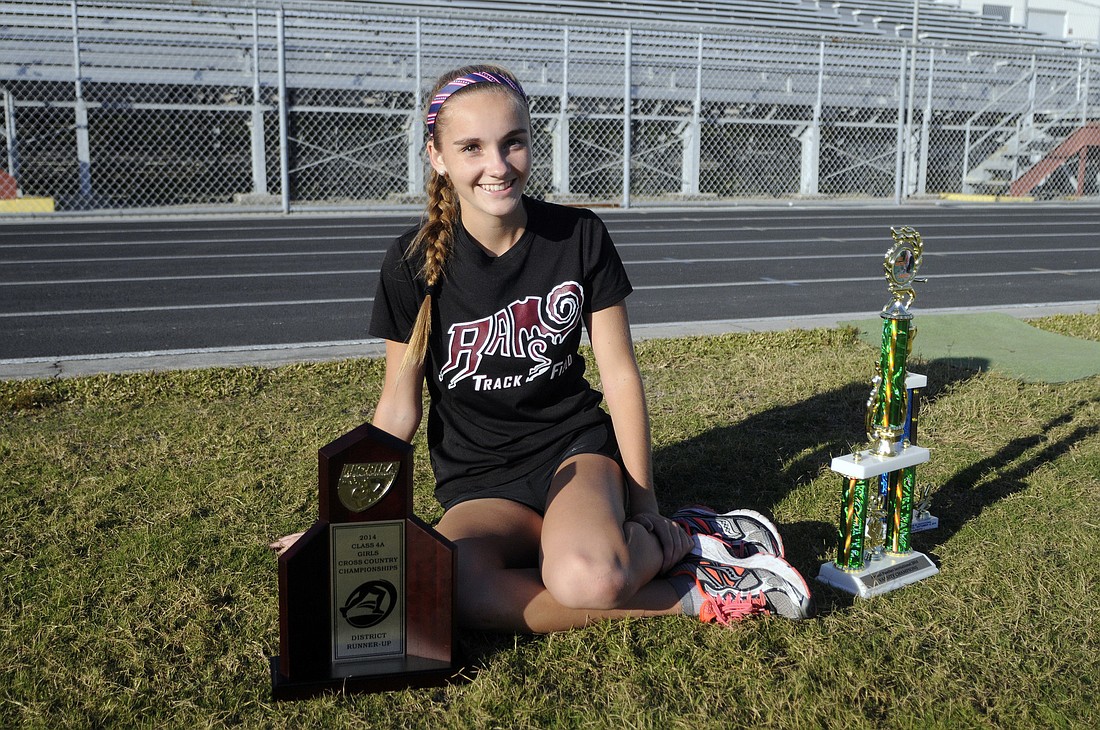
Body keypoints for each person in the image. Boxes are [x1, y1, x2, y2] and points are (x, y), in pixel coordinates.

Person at [272, 64, 813, 632]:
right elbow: (398, 410)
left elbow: (621, 377)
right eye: (472, 147)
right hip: (479, 480)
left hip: (571, 453)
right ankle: (699, 592)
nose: (497, 166)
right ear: (437, 157)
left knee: (589, 579)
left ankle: (677, 536)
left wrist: (646, 508)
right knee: (448, 589)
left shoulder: (578, 236)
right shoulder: (410, 265)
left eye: (513, 143)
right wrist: (341, 524)